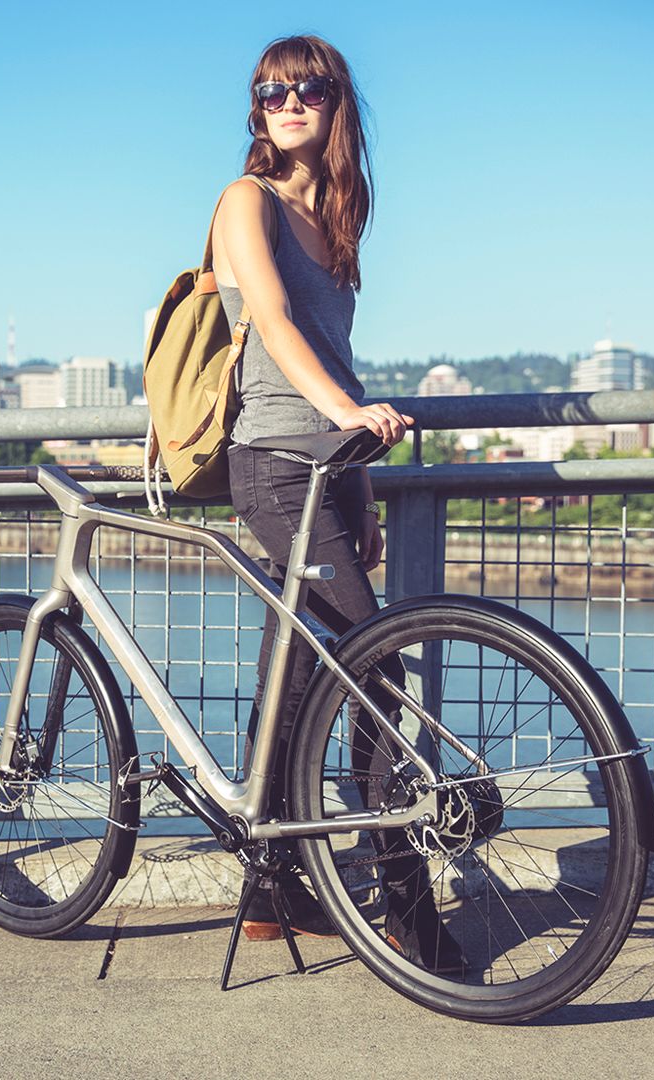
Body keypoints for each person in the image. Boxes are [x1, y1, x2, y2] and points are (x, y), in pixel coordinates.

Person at [208, 35, 457, 968]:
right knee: (373, 667)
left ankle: (270, 892)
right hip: (272, 464)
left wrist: (357, 478)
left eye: (306, 88)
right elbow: (270, 320)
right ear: (256, 109)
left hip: (329, 472)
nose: (286, 102)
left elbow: (333, 350)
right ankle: (402, 898)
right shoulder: (248, 202)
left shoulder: (342, 215)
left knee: (299, 680)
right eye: (269, 90)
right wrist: (349, 413)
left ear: (336, 102)